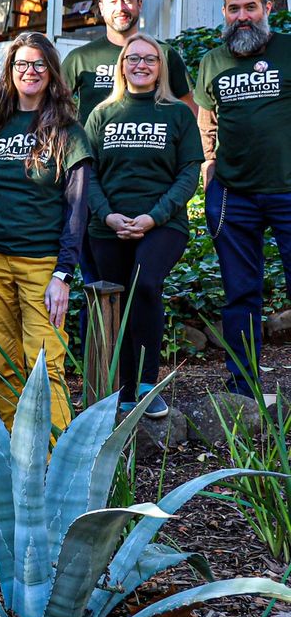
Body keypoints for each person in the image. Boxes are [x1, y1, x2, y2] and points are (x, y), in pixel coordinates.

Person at [0, 33, 93, 430]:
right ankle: (13, 456)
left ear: (52, 72)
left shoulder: (69, 132)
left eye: (39, 64)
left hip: (42, 265)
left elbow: (77, 210)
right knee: (2, 364)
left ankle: (52, 464)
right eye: (21, 64)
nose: (30, 71)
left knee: (45, 366)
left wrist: (63, 274)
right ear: (8, 72)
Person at [85, 35, 201, 417]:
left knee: (145, 285)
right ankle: (124, 389)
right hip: (109, 226)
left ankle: (148, 385)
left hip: (163, 224)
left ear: (160, 67)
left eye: (150, 59)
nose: (141, 64)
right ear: (122, 65)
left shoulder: (177, 114)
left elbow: (188, 173)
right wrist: (107, 215)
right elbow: (88, 175)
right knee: (116, 302)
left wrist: (154, 216)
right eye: (133, 58)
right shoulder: (101, 114)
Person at [194, 0, 291, 395]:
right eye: (234, 9)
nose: (243, 16)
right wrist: (209, 163)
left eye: (251, 7)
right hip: (234, 194)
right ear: (224, 13)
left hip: (288, 191)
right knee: (240, 294)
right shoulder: (213, 61)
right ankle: (242, 387)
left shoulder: (288, 50)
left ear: (267, 9)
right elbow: (205, 119)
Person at [61, 0, 195, 124]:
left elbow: (190, 112)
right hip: (94, 147)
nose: (120, 8)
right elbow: (52, 105)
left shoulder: (163, 53)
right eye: (113, 1)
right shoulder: (80, 58)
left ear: (140, 4)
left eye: (127, 0)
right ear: (101, 8)